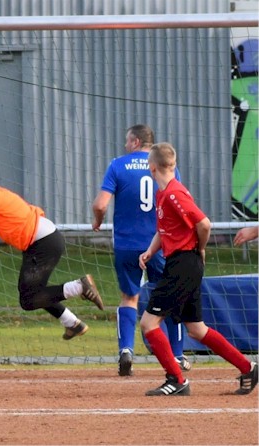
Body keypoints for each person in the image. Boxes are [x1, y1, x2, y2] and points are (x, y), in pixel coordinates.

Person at [139, 142, 257, 396]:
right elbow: (165, 230)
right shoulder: (164, 194)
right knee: (197, 329)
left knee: (149, 323)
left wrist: (199, 248)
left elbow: (204, 223)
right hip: (181, 261)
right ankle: (248, 367)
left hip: (183, 263)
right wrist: (151, 251)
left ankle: (176, 379)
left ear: (152, 167)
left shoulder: (174, 193)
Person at [0, 167, 105, 340]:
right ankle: (73, 324)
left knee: (29, 298)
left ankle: (80, 286)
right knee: (34, 294)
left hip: (43, 241)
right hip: (40, 242)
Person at [92, 124, 190, 377]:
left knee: (129, 298)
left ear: (135, 141)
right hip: (160, 243)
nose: (125, 146)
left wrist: (98, 222)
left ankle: (126, 351)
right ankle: (177, 355)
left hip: (126, 244)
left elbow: (101, 204)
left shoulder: (118, 165)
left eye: (127, 141)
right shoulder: (167, 166)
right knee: (168, 296)